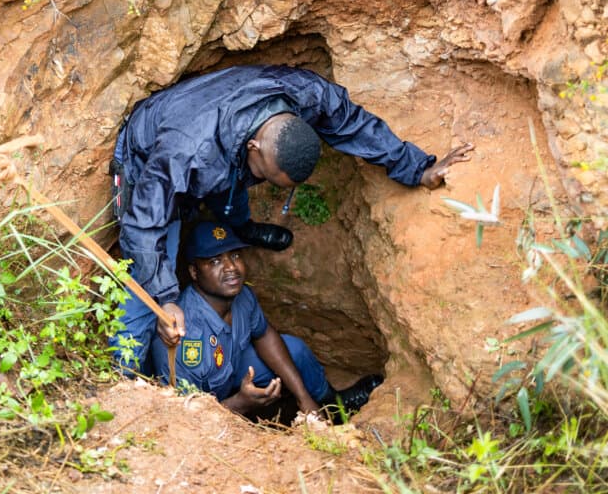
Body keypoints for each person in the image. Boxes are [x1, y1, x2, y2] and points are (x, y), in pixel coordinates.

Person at [110, 64, 474, 374]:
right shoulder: (186, 152)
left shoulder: (305, 95)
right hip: (147, 160)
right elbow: (143, 227)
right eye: (265, 174)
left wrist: (418, 168)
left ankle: (242, 228)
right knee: (149, 264)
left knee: (233, 192)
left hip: (220, 150)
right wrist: (164, 298)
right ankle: (122, 373)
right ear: (253, 147)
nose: (264, 182)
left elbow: (354, 124)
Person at [151, 223, 383, 422]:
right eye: (214, 261)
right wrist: (241, 403)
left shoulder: (240, 295)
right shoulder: (185, 338)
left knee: (295, 350)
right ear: (193, 271)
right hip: (206, 406)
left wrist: (305, 399)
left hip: (232, 372)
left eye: (235, 255)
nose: (231, 267)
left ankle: (333, 406)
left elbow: (263, 335)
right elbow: (188, 420)